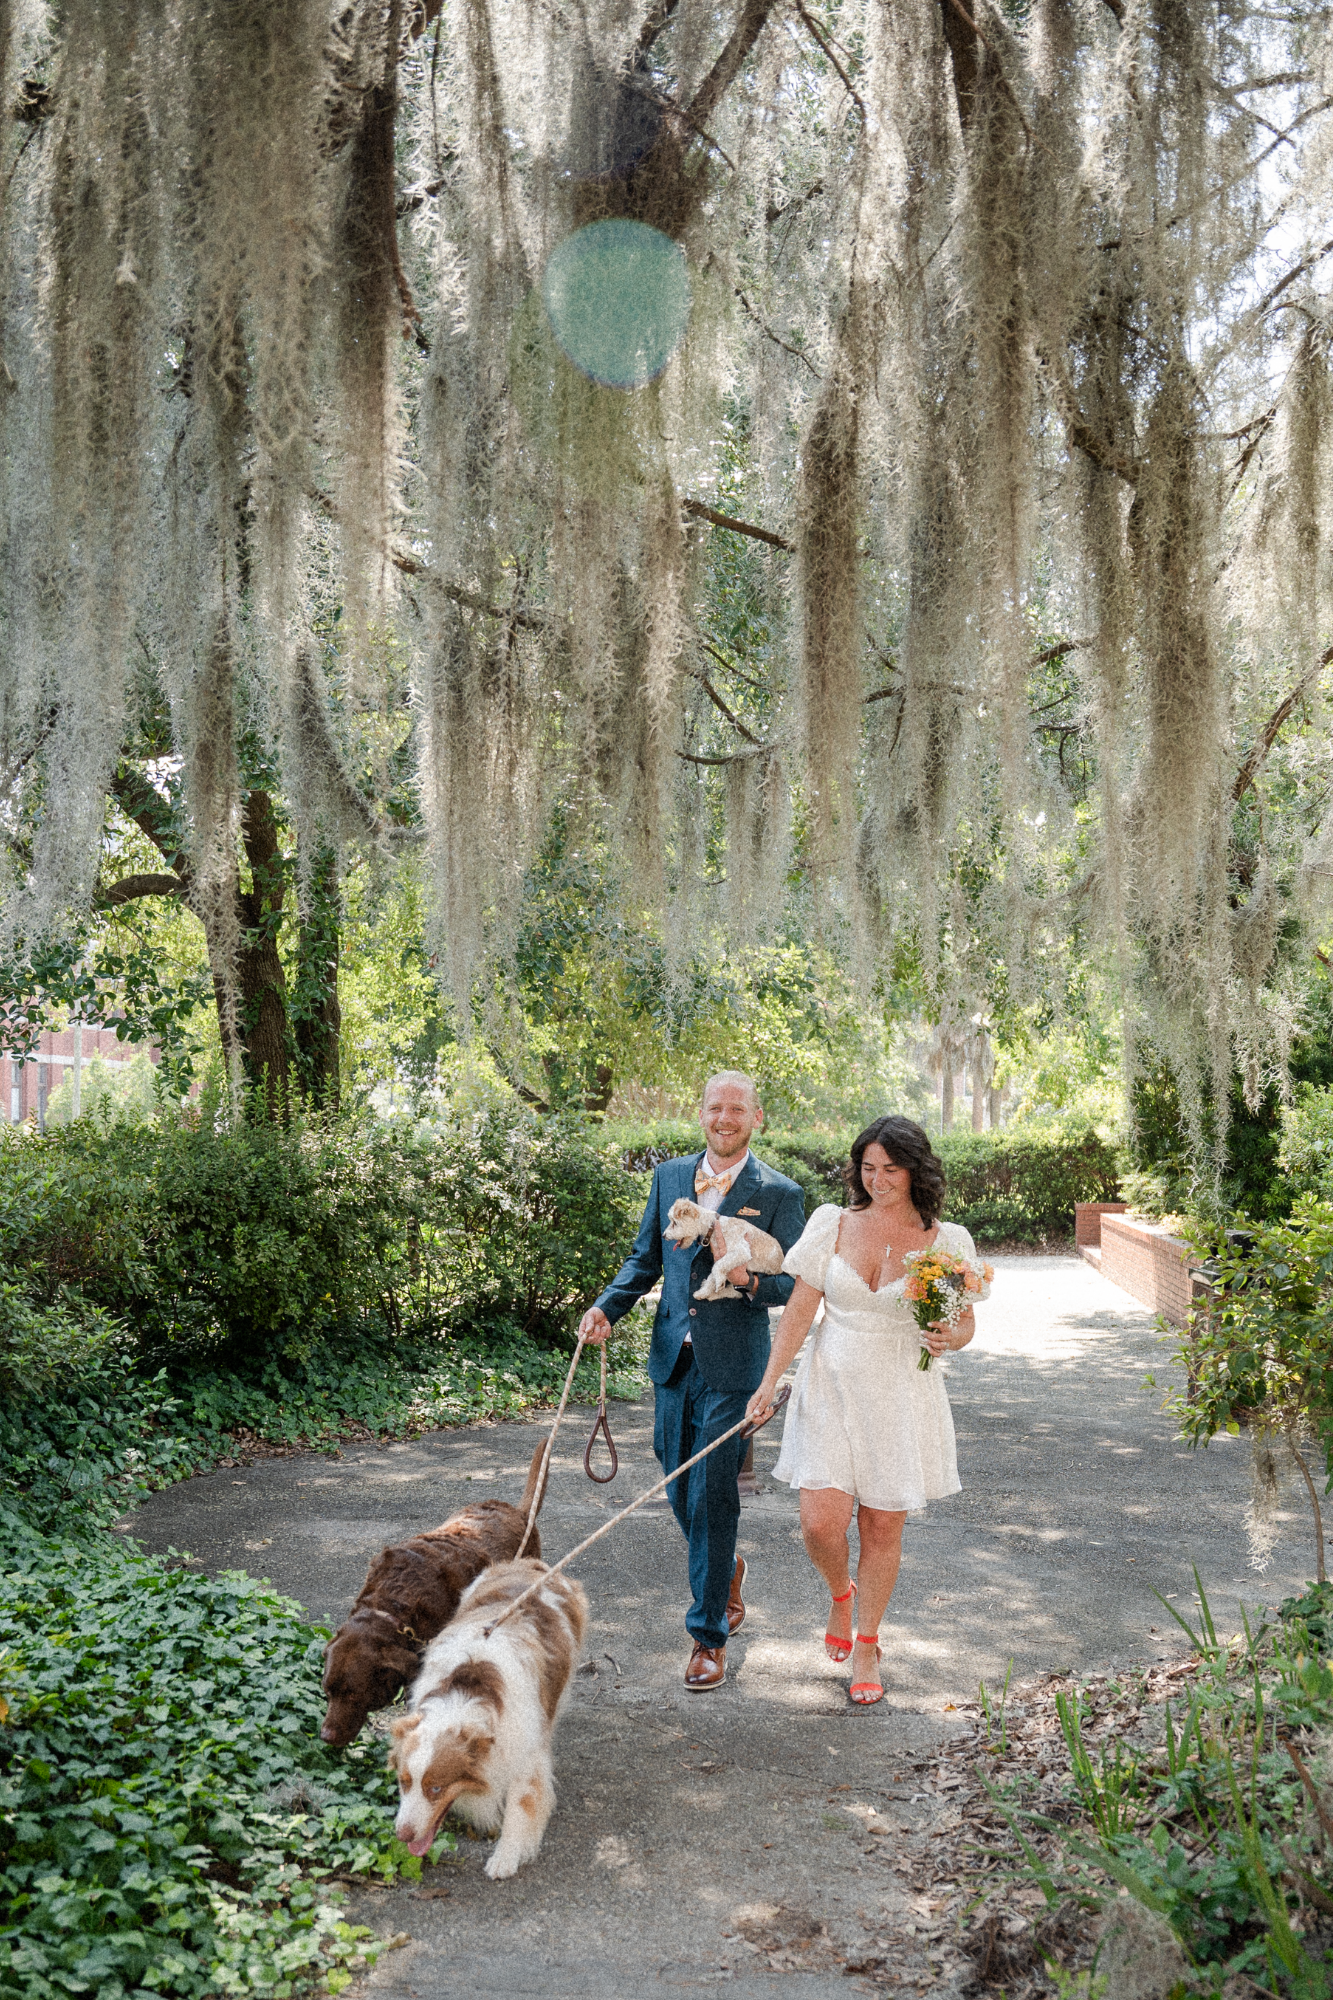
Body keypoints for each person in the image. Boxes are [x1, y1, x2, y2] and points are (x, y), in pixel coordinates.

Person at [743, 1115, 989, 1707]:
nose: (877, 1181)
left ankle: (869, 1644)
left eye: (891, 1170)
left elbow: (965, 1322)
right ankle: (840, 1593)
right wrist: (768, 1381)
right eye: (868, 1168)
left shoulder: (947, 1241)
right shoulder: (832, 1223)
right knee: (820, 1524)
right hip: (828, 1385)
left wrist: (947, 1339)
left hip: (902, 1393)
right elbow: (802, 1308)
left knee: (881, 1527)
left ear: (915, 1171)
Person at [579, 1071, 806, 1690]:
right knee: (674, 1474)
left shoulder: (781, 1193)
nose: (725, 1118)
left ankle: (708, 1637)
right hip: (671, 1360)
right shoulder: (670, 1177)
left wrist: (748, 1283)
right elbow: (644, 1257)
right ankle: (725, 1569)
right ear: (700, 1114)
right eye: (715, 1107)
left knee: (711, 1490)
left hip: (734, 1368)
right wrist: (605, 1307)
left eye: (738, 1109)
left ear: (756, 1117)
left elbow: (793, 1282)